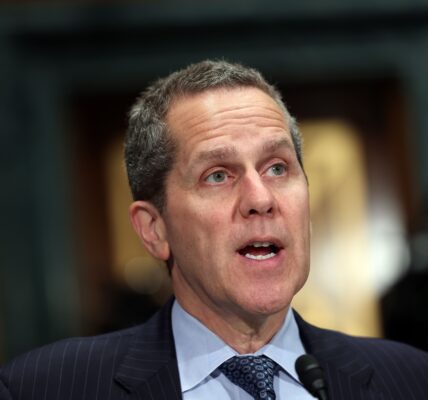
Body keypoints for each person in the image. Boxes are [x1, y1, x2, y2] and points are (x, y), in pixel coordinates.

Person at [1, 60, 427, 400]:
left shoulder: (411, 380)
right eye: (218, 176)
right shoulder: (44, 388)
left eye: (277, 167)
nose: (261, 198)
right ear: (154, 230)